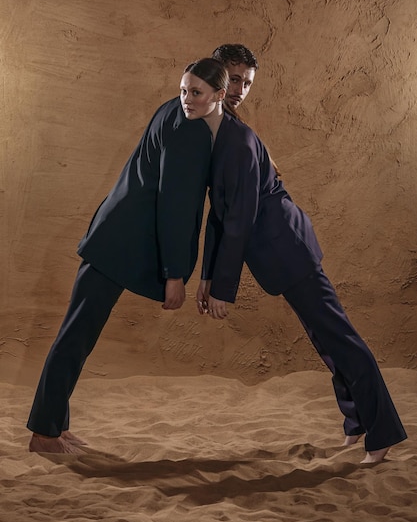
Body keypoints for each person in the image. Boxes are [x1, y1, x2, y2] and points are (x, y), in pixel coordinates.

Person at [193, 49, 407, 464]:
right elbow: (220, 212)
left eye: (247, 82)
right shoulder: (222, 127)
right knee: (324, 338)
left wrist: (222, 286)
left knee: (338, 336)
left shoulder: (236, 137)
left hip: (288, 247)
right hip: (278, 249)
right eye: (235, 80)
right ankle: (357, 423)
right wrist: (207, 275)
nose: (240, 90)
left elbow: (239, 216)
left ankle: (383, 432)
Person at [27, 58, 228, 454]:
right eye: (184, 90)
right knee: (76, 336)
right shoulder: (191, 129)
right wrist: (174, 273)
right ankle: (44, 434)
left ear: (216, 96)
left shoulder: (175, 111)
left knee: (77, 335)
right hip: (117, 242)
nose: (187, 98)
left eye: (196, 93)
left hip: (115, 235)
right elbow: (175, 205)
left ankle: (54, 426)